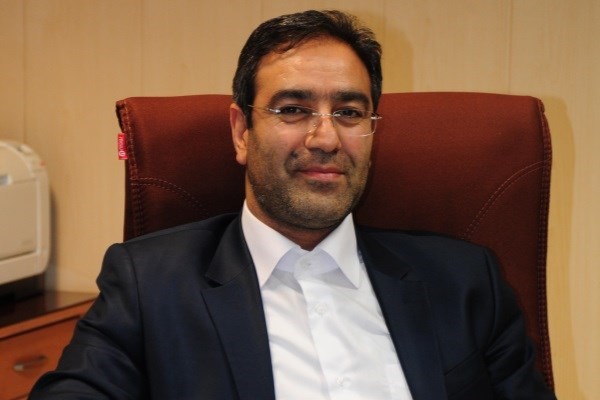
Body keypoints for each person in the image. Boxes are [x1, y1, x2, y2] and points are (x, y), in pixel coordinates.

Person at [30, 9, 556, 400]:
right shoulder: (150, 285)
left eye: (349, 112)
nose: (325, 138)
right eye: (293, 109)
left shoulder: (465, 282)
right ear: (241, 131)